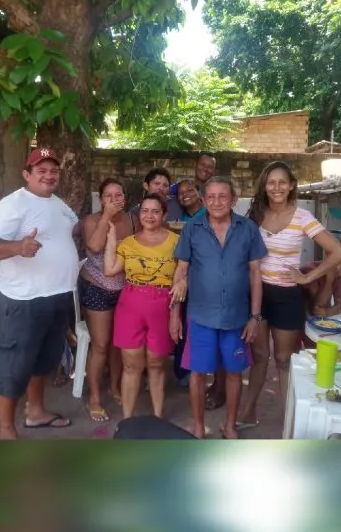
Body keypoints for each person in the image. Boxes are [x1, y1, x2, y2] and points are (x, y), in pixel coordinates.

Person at [238, 161, 341, 429]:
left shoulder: (302, 218)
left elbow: (338, 252)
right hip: (259, 294)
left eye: (282, 182)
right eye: (271, 182)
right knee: (260, 356)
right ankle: (248, 413)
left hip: (287, 296)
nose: (276, 187)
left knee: (284, 360)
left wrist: (307, 277)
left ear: (291, 185)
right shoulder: (257, 214)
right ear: (265, 185)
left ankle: (290, 421)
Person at [0, 147, 80, 440]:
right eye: (41, 170)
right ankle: (6, 429)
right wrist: (18, 248)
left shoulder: (58, 204)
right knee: (14, 364)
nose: (49, 175)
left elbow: (70, 230)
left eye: (53, 170)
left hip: (56, 295)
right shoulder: (13, 204)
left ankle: (36, 412)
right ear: (27, 174)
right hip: (23, 300)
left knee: (44, 359)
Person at [171, 176, 267, 439]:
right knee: (198, 373)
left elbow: (255, 275)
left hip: (236, 317)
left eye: (222, 196)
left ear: (234, 199)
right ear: (203, 200)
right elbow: (181, 270)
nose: (216, 202)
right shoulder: (192, 228)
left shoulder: (247, 229)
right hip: (200, 316)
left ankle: (230, 425)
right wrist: (174, 314)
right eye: (210, 197)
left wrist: (255, 317)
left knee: (235, 373)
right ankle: (199, 426)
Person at [104, 193, 180, 420]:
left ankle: (157, 417)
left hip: (163, 303)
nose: (149, 215)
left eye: (155, 211)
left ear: (164, 214)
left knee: (157, 364)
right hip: (131, 304)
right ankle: (127, 419)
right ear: (139, 214)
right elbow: (109, 270)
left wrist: (176, 312)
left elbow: (181, 277)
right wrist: (111, 239)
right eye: (145, 211)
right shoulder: (128, 243)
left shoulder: (176, 242)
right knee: (131, 365)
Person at [80, 177, 139, 422]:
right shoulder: (91, 220)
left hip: (125, 290)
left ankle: (114, 387)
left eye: (119, 195)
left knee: (119, 344)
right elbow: (94, 247)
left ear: (125, 197)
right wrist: (106, 217)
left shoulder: (134, 220)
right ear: (101, 199)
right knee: (101, 344)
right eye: (108, 196)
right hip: (97, 287)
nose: (114, 200)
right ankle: (94, 397)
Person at [172, 179, 206, 388]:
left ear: (199, 192)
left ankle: (196, 373)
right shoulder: (179, 217)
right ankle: (182, 372)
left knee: (195, 326)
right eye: (180, 193)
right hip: (179, 275)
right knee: (181, 323)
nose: (185, 194)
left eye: (190, 190)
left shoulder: (209, 214)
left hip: (201, 278)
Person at [303, 240, 341, 317]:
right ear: (329, 256)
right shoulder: (311, 270)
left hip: (321, 319)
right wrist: (329, 281)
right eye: (338, 262)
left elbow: (340, 305)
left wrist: (327, 312)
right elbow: (318, 305)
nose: (339, 268)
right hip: (302, 317)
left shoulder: (338, 275)